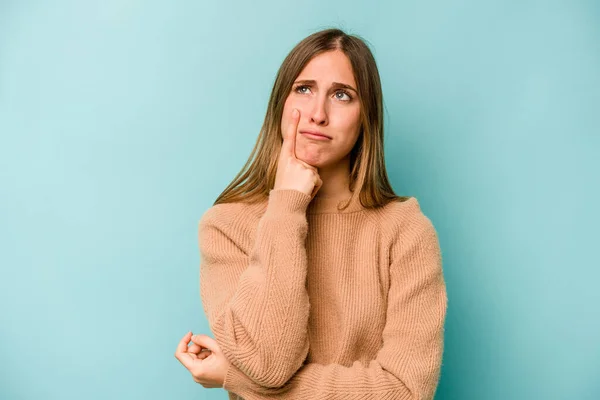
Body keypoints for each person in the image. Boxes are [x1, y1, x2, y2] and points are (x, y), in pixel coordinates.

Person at [175, 27, 448, 400]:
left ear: (365, 116)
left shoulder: (406, 231)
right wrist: (286, 204)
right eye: (304, 89)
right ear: (281, 105)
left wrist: (239, 380)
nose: (318, 114)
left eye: (341, 95)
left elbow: (405, 391)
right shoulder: (226, 227)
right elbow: (269, 363)